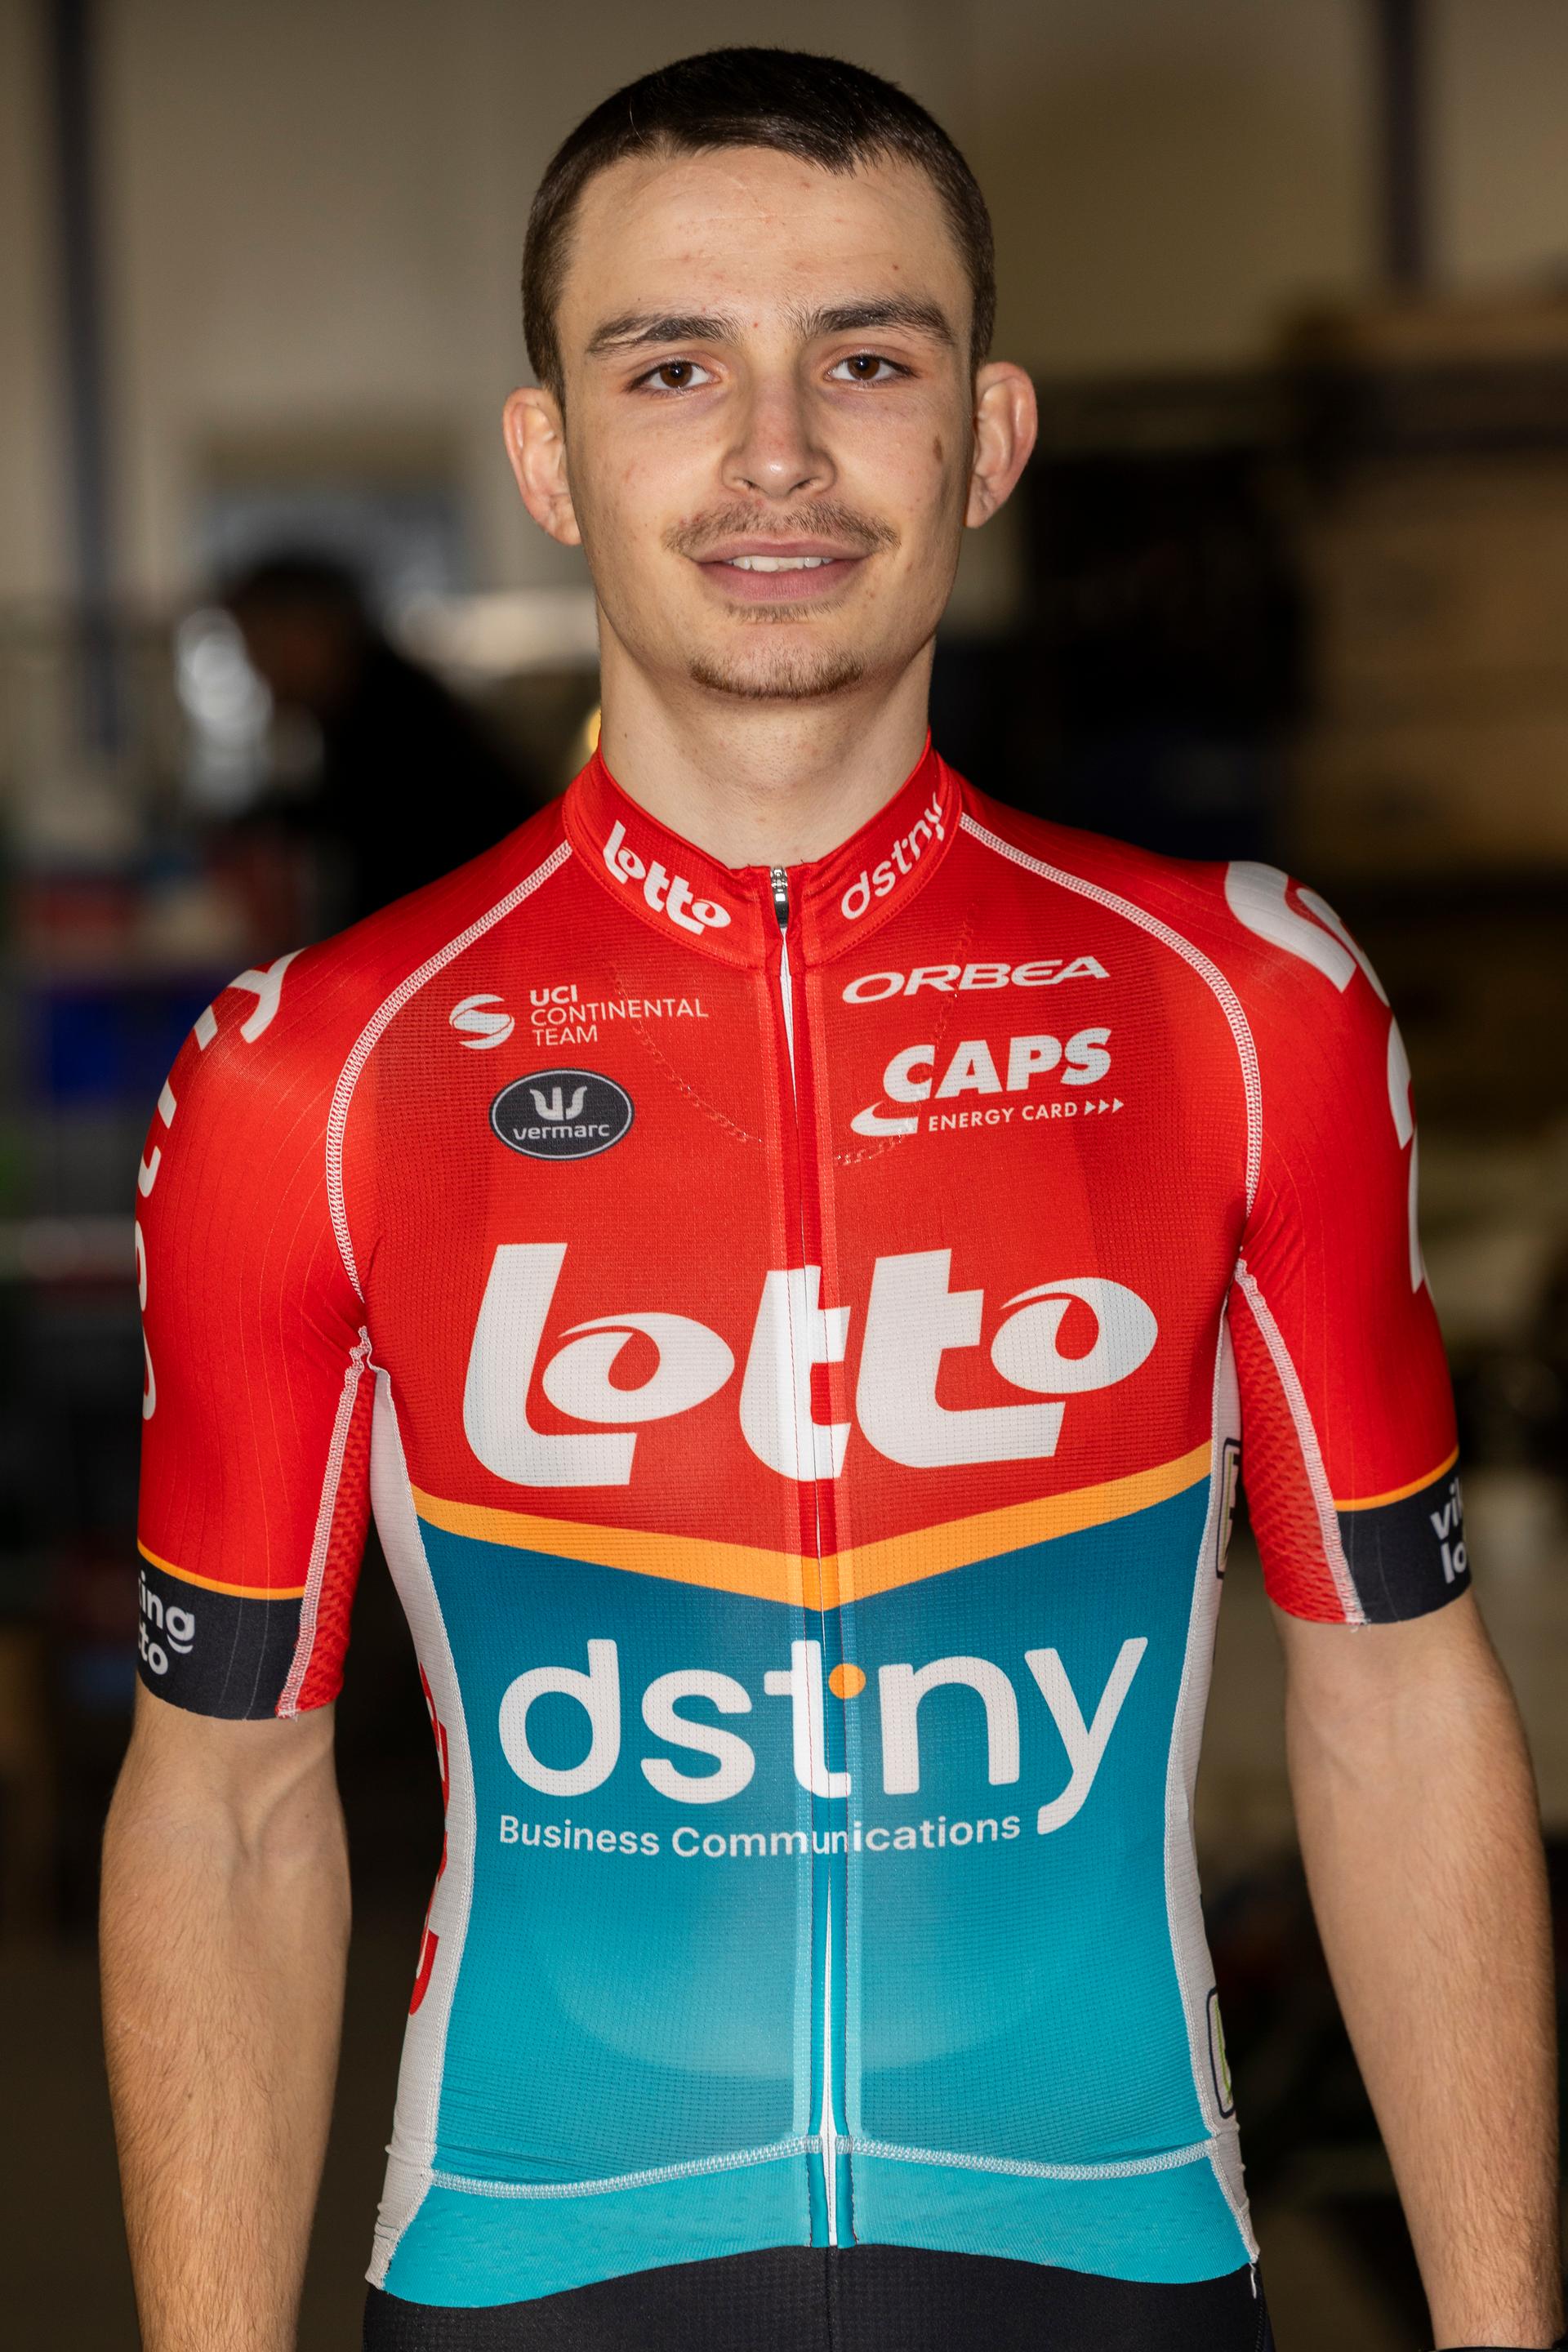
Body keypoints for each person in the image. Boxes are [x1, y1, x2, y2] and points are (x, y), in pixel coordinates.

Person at [100, 47, 1564, 2352]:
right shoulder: (320, 1067)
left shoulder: (1241, 999)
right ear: (549, 460)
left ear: (987, 437)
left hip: (1108, 2263)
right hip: (530, 2273)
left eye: (865, 360)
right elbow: (231, 1797)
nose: (775, 453)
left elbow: (1398, 1702)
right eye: (671, 366)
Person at [222, 550, 540, 929]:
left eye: (263, 643)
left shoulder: (397, 720)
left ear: (315, 629)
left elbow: (389, 871)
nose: (259, 667)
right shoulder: (367, 706)